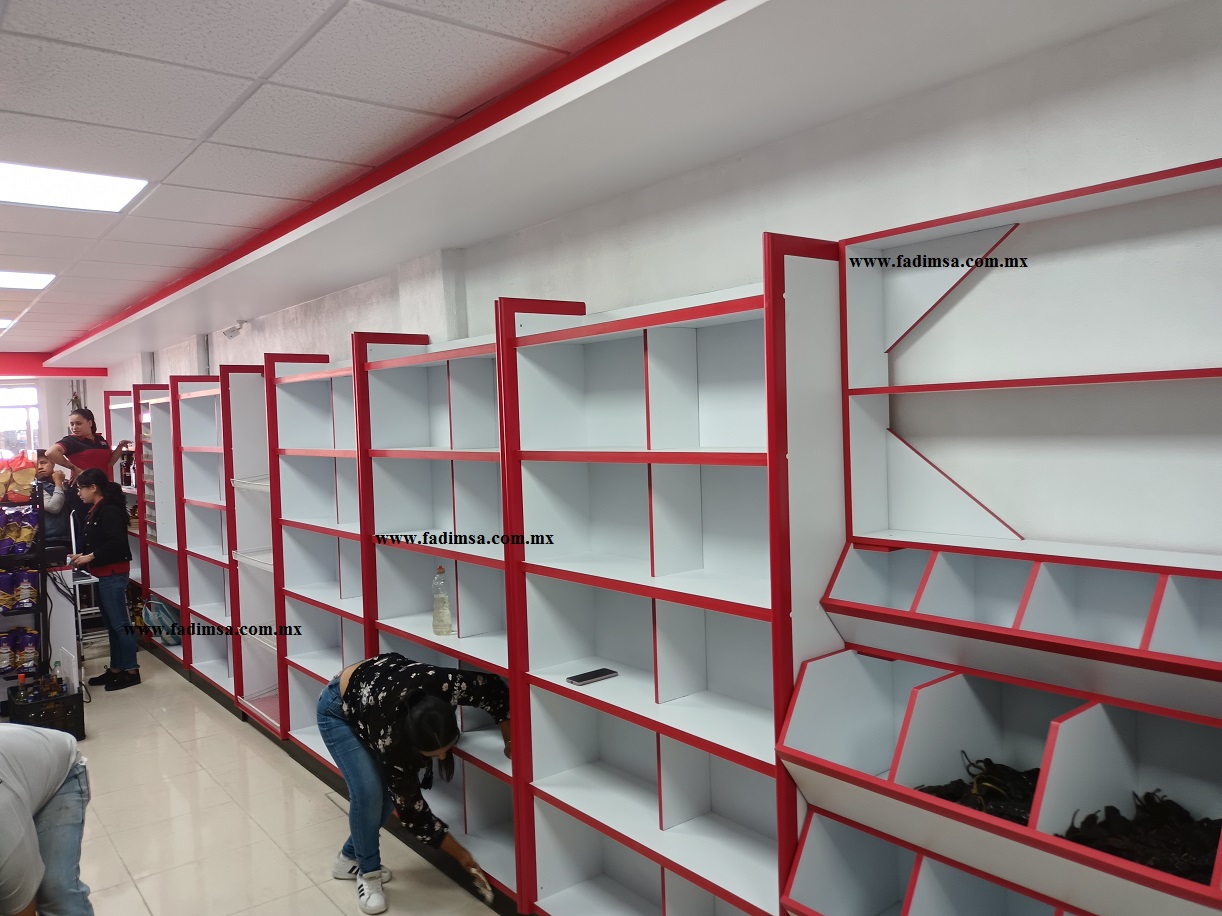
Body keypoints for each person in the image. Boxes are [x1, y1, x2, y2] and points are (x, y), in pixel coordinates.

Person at [317, 653, 511, 915]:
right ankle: (368, 874)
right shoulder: (392, 739)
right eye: (433, 754)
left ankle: (348, 858)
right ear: (411, 742)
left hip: (375, 693)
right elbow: (413, 814)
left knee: (388, 797)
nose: (442, 758)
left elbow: (494, 689)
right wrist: (462, 856)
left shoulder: (446, 684)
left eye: (446, 749)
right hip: (337, 708)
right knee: (369, 794)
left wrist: (509, 740)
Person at [0, 723, 93, 916]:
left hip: (59, 772)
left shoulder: (5, 835)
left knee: (55, 890)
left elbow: (22, 909)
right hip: (17, 769)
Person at [71, 468, 139, 692]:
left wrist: (90, 556)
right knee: (111, 624)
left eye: (81, 488)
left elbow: (116, 542)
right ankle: (117, 668)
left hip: (113, 573)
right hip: (102, 573)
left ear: (93, 488)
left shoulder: (109, 510)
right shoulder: (97, 509)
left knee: (120, 624)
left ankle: (132, 671)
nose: (79, 493)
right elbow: (99, 541)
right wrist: (82, 556)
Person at [42, 409, 131, 544]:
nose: (74, 427)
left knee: (106, 529)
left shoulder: (100, 440)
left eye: (78, 423)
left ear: (90, 423)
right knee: (88, 530)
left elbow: (109, 462)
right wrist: (75, 468)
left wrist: (120, 448)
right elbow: (50, 453)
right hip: (83, 491)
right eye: (72, 424)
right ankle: (85, 556)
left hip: (102, 490)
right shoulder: (71, 441)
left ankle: (101, 555)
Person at [32, 452, 71, 547]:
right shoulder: (36, 487)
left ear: (53, 463)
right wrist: (58, 483)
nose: (39, 467)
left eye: (43, 462)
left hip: (69, 536)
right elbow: (54, 507)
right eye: (36, 464)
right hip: (50, 539)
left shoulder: (64, 483)